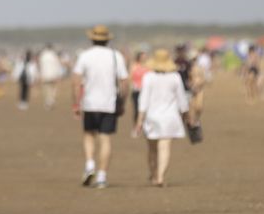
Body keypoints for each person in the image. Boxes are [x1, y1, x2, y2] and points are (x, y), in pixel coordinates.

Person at [73, 25, 128, 188]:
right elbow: (124, 82)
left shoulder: (85, 56)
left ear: (92, 39)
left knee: (89, 135)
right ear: (107, 40)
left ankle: (90, 164)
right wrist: (123, 103)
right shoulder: (115, 56)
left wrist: (76, 103)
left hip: (89, 103)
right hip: (109, 103)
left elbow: (76, 81)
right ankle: (102, 176)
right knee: (105, 139)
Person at [133, 48, 192, 187]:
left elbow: (143, 101)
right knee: (164, 147)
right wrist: (187, 116)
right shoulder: (175, 77)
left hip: (152, 118)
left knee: (152, 149)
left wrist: (139, 120)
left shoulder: (148, 77)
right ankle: (160, 176)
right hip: (170, 117)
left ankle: (154, 174)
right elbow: (182, 100)